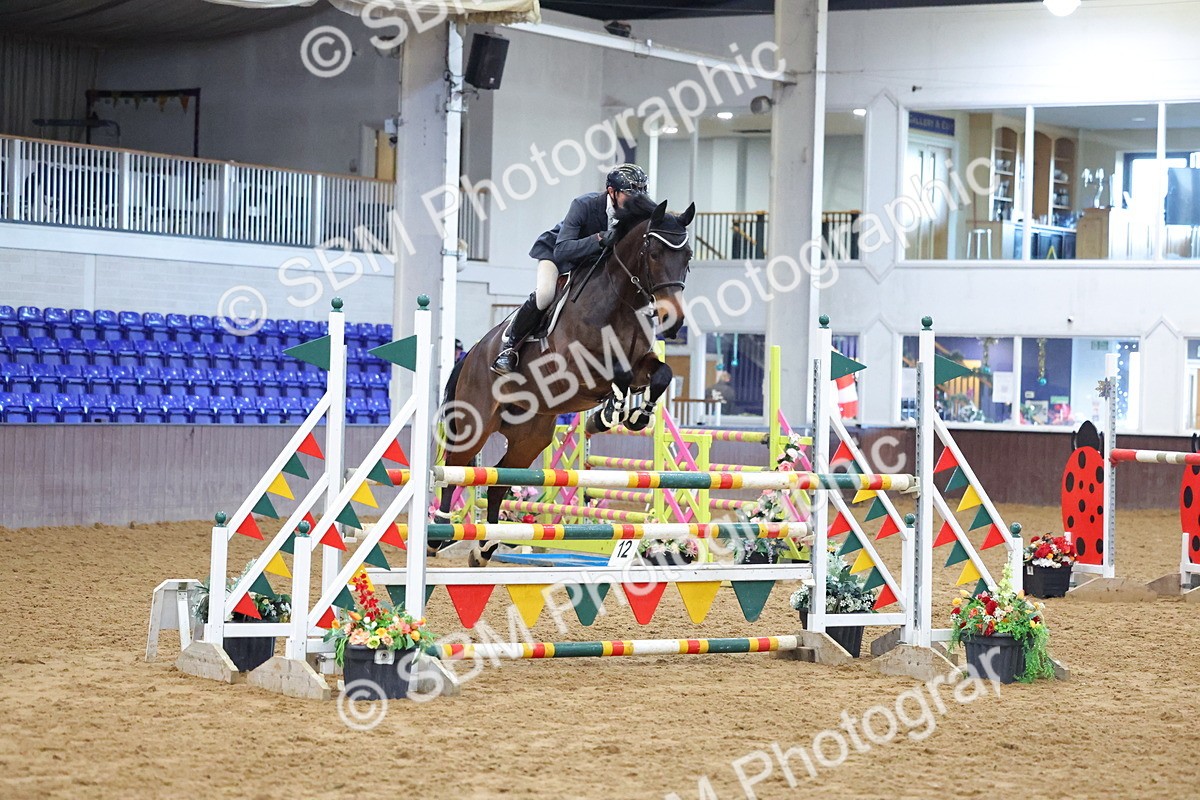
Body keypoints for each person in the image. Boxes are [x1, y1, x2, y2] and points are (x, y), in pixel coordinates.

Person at [491, 163, 649, 375]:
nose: (636, 202)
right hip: (557, 255)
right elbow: (562, 249)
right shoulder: (584, 205)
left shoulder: (638, 213)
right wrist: (600, 238)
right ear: (612, 192)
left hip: (593, 264)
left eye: (641, 193)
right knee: (546, 295)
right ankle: (510, 349)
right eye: (630, 195)